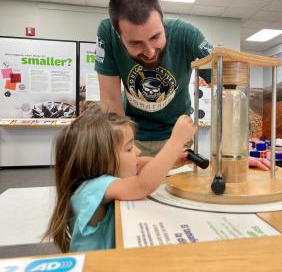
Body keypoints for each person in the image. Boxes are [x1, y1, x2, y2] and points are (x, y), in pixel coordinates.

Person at [95, 0, 272, 170]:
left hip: (177, 137)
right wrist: (124, 149)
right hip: (132, 138)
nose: (149, 52)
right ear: (118, 35)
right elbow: (110, 100)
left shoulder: (187, 34)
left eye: (155, 37)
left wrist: (234, 154)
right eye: (136, 43)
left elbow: (227, 89)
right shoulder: (107, 32)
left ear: (162, 21)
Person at [43, 103, 197, 252]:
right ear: (101, 159)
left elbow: (142, 164)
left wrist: (171, 161)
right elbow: (142, 185)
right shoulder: (93, 188)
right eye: (129, 148)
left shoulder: (100, 178)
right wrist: (176, 141)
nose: (137, 152)